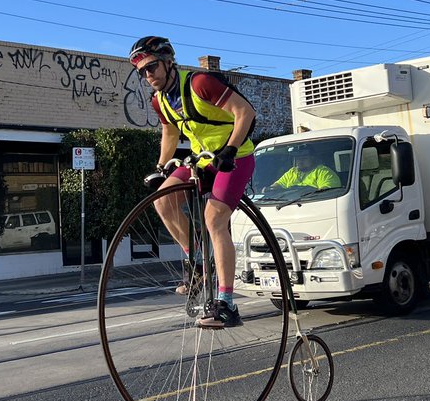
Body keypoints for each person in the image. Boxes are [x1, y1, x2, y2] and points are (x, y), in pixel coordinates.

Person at [130, 36, 257, 329]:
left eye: (152, 67)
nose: (148, 75)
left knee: (214, 218)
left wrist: (232, 149)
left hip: (234, 157)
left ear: (168, 62)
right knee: (163, 199)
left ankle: (226, 303)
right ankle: (199, 263)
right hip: (201, 160)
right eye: (142, 72)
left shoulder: (200, 83)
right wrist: (161, 167)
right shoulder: (160, 100)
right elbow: (170, 134)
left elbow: (245, 112)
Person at [273, 143, 340, 190]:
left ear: (313, 158)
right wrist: (269, 189)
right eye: (298, 158)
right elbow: (278, 185)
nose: (300, 161)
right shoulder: (292, 172)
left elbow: (327, 192)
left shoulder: (323, 172)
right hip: (288, 204)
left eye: (304, 158)